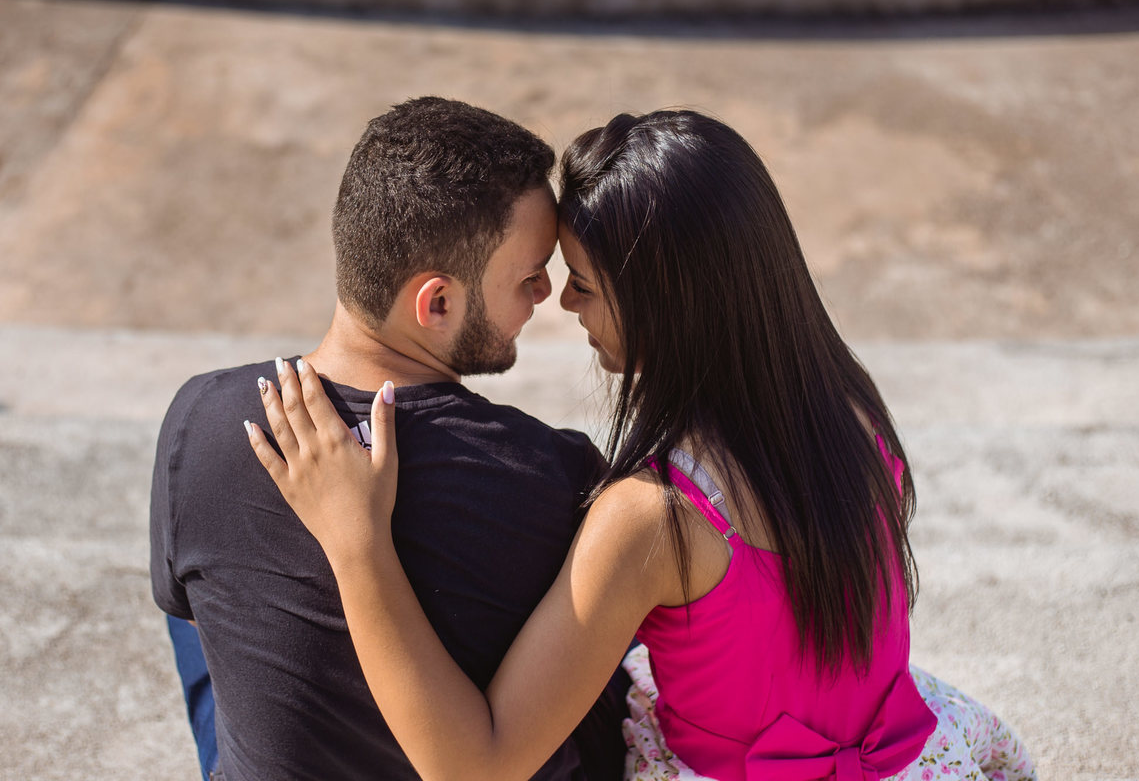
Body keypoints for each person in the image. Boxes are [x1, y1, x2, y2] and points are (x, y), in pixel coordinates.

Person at [249, 110, 1037, 781]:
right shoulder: (850, 411)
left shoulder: (654, 518)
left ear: (663, 304)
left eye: (584, 283)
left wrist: (356, 542)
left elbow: (477, 767)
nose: (562, 302)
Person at [150, 97, 629, 781]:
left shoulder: (203, 415)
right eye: (529, 275)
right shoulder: (553, 475)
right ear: (436, 303)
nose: (547, 294)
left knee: (200, 603)